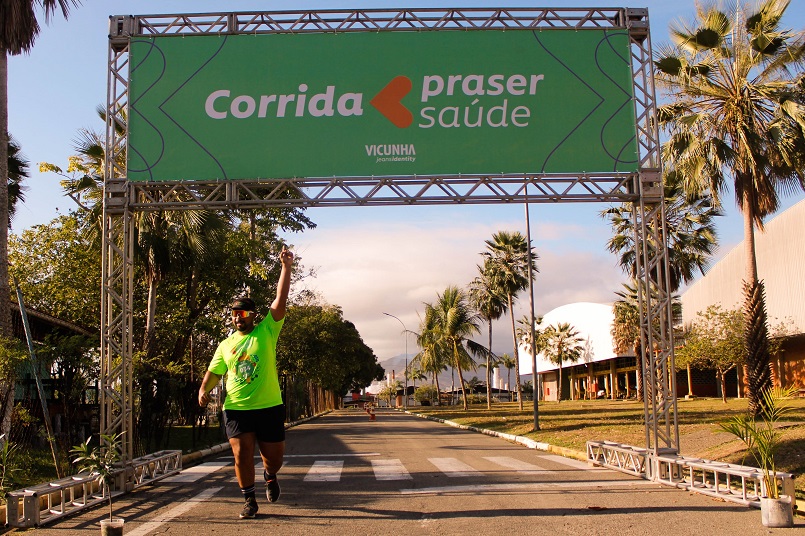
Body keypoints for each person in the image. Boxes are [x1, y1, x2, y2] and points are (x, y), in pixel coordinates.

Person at [198, 246, 293, 519]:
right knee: (241, 454)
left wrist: (285, 267)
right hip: (237, 407)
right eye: (234, 313)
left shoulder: (267, 330)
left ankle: (270, 476)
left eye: (242, 313)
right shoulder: (225, 345)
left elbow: (280, 300)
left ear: (252, 315)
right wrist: (204, 388)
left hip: (269, 407)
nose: (237, 316)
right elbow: (215, 371)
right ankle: (249, 500)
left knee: (274, 458)